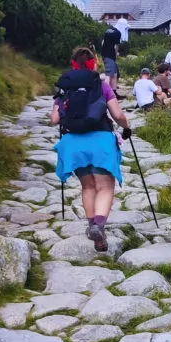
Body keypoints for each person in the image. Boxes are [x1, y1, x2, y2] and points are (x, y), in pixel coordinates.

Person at [51, 47, 131, 252]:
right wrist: (126, 127)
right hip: (100, 142)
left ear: (73, 64)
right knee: (104, 187)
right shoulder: (101, 85)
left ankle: (94, 231)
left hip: (73, 144)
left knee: (88, 187)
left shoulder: (64, 87)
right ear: (93, 63)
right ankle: (98, 225)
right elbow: (117, 114)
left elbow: (54, 120)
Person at [100, 25, 122, 94]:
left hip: (105, 55)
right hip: (109, 56)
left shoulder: (108, 32)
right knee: (108, 75)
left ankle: (114, 92)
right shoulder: (117, 33)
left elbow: (103, 43)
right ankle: (106, 94)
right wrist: (115, 55)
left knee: (114, 74)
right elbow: (116, 46)